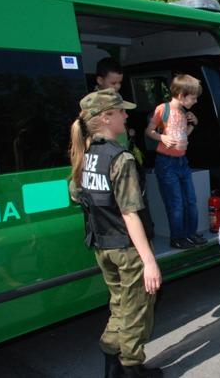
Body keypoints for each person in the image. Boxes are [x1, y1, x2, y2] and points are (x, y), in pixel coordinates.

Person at [69, 88, 162, 378]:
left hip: (103, 246)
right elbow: (129, 212)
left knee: (120, 306)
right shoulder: (120, 158)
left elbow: (75, 194)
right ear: (106, 117)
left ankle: (112, 368)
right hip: (127, 249)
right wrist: (149, 261)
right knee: (136, 313)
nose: (126, 114)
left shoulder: (85, 154)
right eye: (120, 111)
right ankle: (132, 370)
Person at [145, 74, 207, 249]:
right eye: (193, 98)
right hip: (166, 162)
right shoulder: (163, 109)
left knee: (190, 200)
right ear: (181, 95)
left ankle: (190, 233)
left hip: (182, 161)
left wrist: (193, 124)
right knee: (176, 202)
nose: (195, 101)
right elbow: (149, 130)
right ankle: (177, 237)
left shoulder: (184, 112)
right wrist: (161, 137)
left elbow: (183, 135)